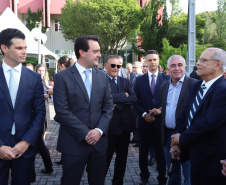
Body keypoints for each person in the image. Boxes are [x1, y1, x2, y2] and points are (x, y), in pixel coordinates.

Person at [53, 35, 114, 185]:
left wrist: (98, 131)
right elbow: (62, 111)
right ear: (82, 52)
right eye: (96, 51)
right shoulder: (62, 77)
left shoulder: (102, 77)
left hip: (99, 144)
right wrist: (86, 133)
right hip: (73, 143)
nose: (100, 55)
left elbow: (108, 107)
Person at [170, 48, 226, 185]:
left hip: (213, 164)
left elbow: (208, 124)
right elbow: (183, 115)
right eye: (199, 60)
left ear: (218, 65)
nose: (198, 63)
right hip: (195, 158)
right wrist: (177, 138)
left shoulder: (223, 90)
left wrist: (181, 138)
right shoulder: (196, 86)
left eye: (203, 60)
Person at [0, 28, 45, 185]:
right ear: (4, 48)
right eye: (19, 48)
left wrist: (26, 142)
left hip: (24, 148)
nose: (24, 51)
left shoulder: (34, 78)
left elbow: (40, 113)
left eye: (25, 47)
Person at [150, 55, 196, 185]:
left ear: (185, 67)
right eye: (173, 65)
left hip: (186, 136)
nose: (177, 68)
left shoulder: (194, 85)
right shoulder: (164, 87)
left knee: (189, 173)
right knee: (172, 170)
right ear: (168, 68)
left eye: (180, 65)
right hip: (168, 136)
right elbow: (166, 108)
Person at [134, 49, 170, 185]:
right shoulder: (139, 80)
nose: (152, 62)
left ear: (158, 60)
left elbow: (171, 101)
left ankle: (162, 178)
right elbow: (134, 101)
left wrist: (161, 109)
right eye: (150, 60)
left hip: (160, 124)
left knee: (161, 153)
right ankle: (144, 176)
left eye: (155, 59)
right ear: (146, 62)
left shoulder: (167, 79)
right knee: (143, 153)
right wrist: (144, 115)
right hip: (143, 124)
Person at [105, 55, 137, 185]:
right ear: (106, 66)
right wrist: (124, 96)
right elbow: (105, 98)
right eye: (112, 65)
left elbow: (133, 98)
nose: (115, 68)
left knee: (122, 161)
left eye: (118, 66)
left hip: (124, 129)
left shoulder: (126, 81)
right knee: (104, 161)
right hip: (109, 129)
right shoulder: (101, 82)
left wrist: (117, 104)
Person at [54, 55, 75, 165]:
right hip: (75, 113)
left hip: (66, 113)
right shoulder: (75, 74)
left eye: (59, 66)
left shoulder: (61, 76)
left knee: (66, 138)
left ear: (62, 65)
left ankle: (66, 158)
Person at [33, 64, 53, 176]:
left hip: (43, 113)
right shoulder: (34, 80)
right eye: (39, 70)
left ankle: (48, 167)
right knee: (40, 142)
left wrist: (47, 95)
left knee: (40, 142)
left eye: (43, 70)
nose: (41, 72)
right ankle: (48, 166)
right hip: (37, 114)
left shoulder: (46, 82)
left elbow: (51, 95)